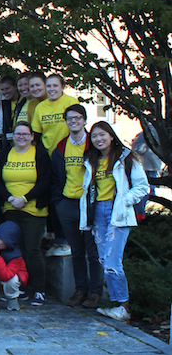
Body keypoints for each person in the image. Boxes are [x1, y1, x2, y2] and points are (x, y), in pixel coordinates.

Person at [80, 121, 148, 321]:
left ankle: (123, 307)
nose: (98, 139)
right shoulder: (91, 159)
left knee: (112, 262)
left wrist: (124, 201)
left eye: (102, 135)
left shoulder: (126, 158)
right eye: (94, 136)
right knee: (103, 260)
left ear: (111, 136)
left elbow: (142, 187)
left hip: (117, 213)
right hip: (97, 213)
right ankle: (117, 303)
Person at [0, 121, 51, 307]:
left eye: (26, 134)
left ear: (32, 136)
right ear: (13, 136)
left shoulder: (40, 154)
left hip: (33, 210)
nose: (22, 137)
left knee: (32, 249)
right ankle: (19, 286)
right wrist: (9, 197)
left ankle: (39, 289)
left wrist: (25, 198)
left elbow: (45, 181)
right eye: (18, 134)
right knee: (13, 250)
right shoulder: (5, 153)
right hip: (10, 209)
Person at [50, 105, 102, 309]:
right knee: (77, 251)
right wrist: (59, 202)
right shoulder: (61, 148)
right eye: (70, 119)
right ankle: (81, 289)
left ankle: (96, 292)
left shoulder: (94, 145)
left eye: (77, 118)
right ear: (66, 122)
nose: (74, 122)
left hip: (89, 204)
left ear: (84, 120)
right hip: (68, 204)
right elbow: (55, 178)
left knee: (93, 251)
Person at [33, 74, 79, 151]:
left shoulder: (71, 102)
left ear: (62, 87)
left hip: (68, 151)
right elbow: (36, 134)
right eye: (49, 86)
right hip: (47, 153)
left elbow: (79, 128)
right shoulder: (40, 107)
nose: (52, 89)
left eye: (55, 86)